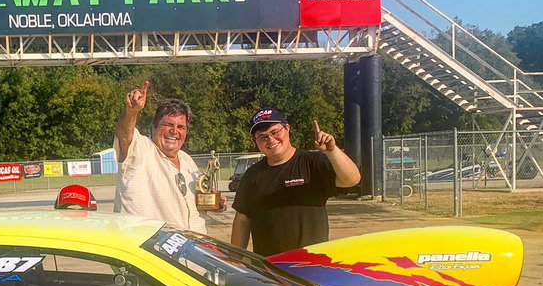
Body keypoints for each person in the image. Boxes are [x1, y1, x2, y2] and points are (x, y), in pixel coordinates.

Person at [230, 108, 361, 256]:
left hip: (311, 264)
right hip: (268, 267)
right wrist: (235, 259)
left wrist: (332, 151)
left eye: (275, 132)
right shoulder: (252, 175)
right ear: (256, 141)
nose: (271, 140)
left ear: (287, 128)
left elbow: (352, 179)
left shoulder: (312, 163)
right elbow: (242, 220)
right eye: (262, 137)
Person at [113, 81, 209, 232]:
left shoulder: (187, 160)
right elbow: (124, 135)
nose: (174, 131)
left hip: (192, 249)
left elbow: (193, 202)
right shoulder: (140, 150)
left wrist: (213, 203)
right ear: (154, 127)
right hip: (151, 251)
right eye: (168, 125)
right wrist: (131, 112)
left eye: (181, 127)